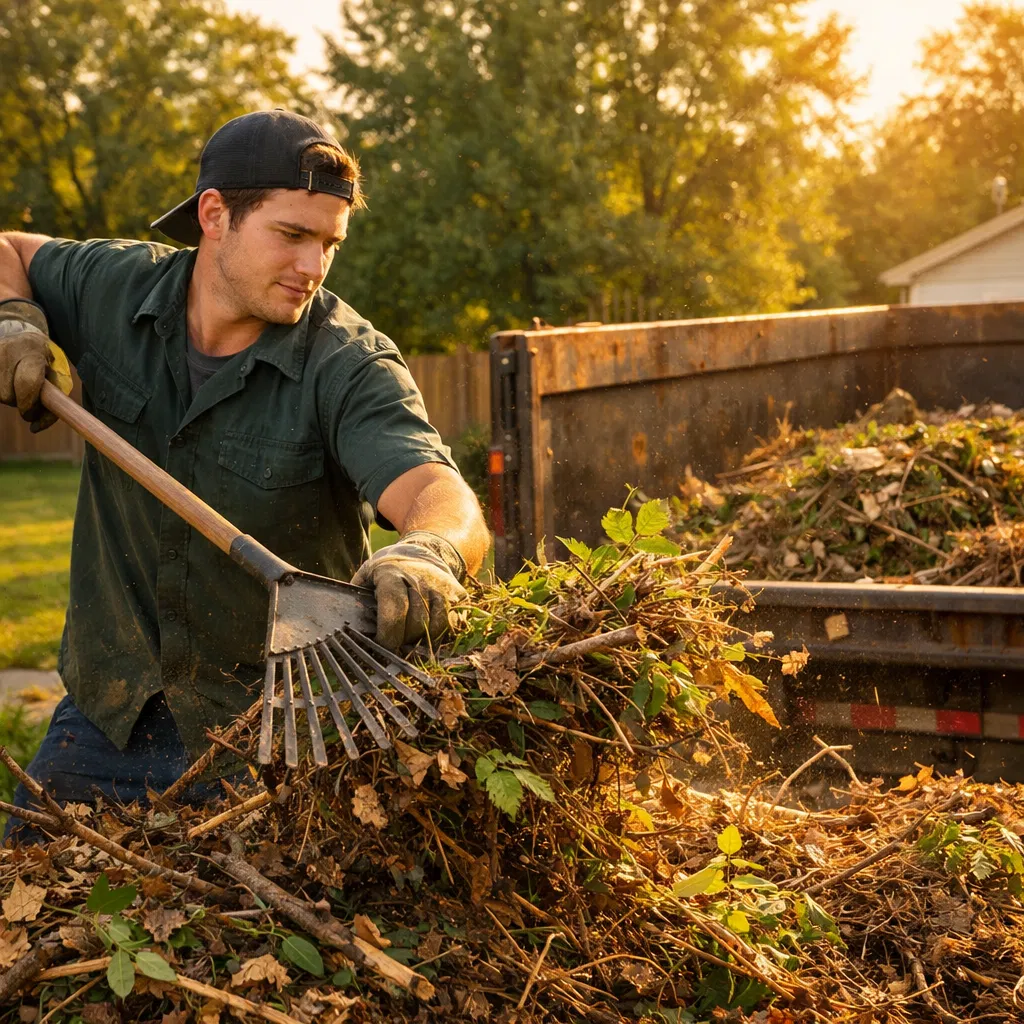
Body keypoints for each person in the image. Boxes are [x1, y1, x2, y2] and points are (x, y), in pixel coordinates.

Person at [0, 110, 490, 839]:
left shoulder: (347, 363)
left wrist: (430, 553)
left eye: (328, 243)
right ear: (214, 215)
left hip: (276, 734)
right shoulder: (114, 289)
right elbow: (9, 246)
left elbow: (436, 490)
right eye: (291, 234)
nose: (313, 266)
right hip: (110, 711)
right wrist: (14, 317)